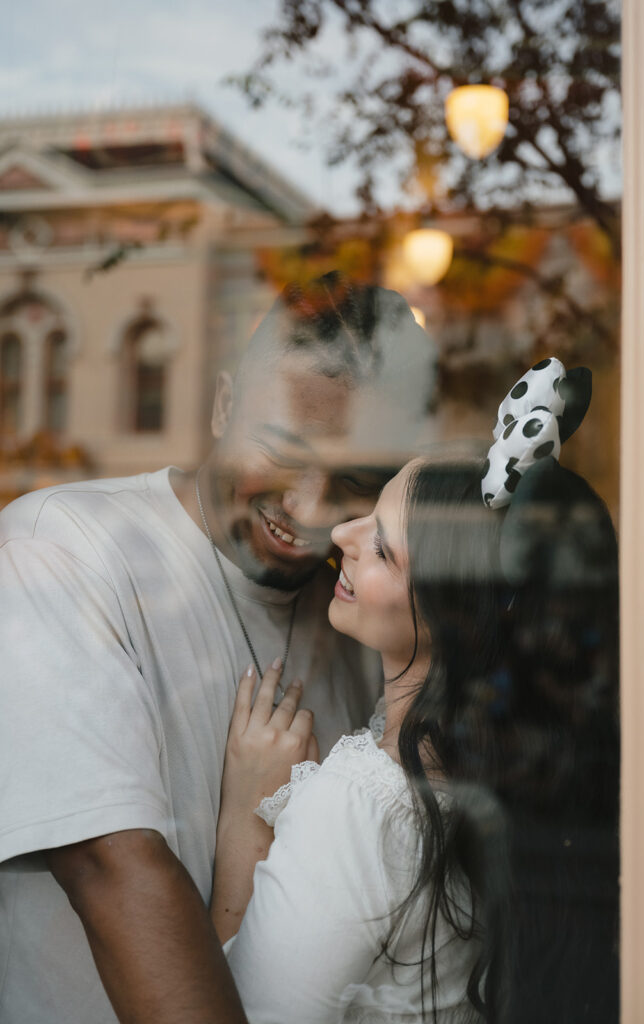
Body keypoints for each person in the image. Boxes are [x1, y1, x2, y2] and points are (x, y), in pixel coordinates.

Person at [0, 272, 436, 1024]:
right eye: (283, 450)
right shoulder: (60, 549)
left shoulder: (357, 620)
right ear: (225, 404)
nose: (309, 507)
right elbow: (114, 869)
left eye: (355, 480)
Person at [207, 362, 619, 1023]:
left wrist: (242, 826)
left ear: (448, 614)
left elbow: (242, 1014)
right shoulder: (511, 778)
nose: (341, 536)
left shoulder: (363, 807)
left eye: (383, 550)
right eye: (369, 514)